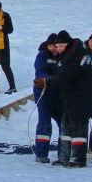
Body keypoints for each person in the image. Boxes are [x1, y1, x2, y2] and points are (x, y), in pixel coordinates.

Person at [33, 30, 92, 167]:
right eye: (57, 46)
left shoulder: (75, 56)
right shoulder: (67, 54)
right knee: (66, 126)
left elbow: (65, 78)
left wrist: (47, 82)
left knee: (78, 127)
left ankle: (78, 159)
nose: (58, 49)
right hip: (69, 96)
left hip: (81, 96)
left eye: (61, 46)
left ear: (67, 44)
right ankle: (64, 157)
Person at [32, 33, 64, 164]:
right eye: (50, 45)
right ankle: (41, 153)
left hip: (60, 96)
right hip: (44, 94)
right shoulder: (41, 56)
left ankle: (64, 153)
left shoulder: (64, 56)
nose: (52, 48)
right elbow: (40, 71)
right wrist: (48, 80)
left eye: (55, 46)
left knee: (64, 124)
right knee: (45, 124)